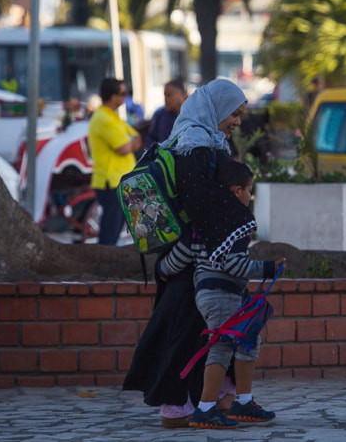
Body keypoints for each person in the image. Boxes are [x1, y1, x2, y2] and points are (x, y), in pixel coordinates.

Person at [122, 79, 264, 428]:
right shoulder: (196, 146)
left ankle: (212, 399)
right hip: (194, 261)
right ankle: (179, 406)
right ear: (216, 109)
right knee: (186, 332)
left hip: (196, 258)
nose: (237, 122)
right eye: (233, 113)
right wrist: (238, 224)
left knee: (206, 332)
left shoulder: (200, 141)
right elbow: (201, 204)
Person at [158, 157, 286, 430]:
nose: (250, 197)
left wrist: (162, 270)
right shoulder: (237, 221)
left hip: (212, 294)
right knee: (222, 347)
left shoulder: (201, 221)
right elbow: (233, 264)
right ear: (236, 191)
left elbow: (181, 256)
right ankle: (206, 408)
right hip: (221, 294)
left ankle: (243, 401)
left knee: (249, 341)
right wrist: (268, 268)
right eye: (249, 190)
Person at [87, 78, 141, 245]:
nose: (126, 97)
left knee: (114, 229)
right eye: (123, 93)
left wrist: (133, 142)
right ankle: (103, 260)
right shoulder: (105, 119)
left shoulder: (112, 117)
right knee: (110, 232)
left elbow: (137, 136)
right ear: (112, 96)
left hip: (119, 180)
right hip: (111, 181)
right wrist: (132, 142)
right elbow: (124, 147)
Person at [144, 78, 188, 149]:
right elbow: (151, 139)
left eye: (169, 95)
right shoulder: (160, 115)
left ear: (182, 96)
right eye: (164, 95)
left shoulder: (194, 116)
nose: (165, 99)